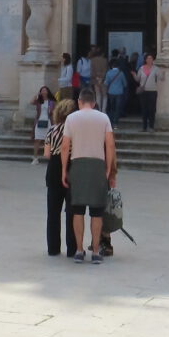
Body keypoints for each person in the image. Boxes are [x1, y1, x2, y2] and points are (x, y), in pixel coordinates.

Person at [60, 87, 116, 264]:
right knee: (97, 212)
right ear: (93, 102)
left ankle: (78, 250)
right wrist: (108, 169)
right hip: (97, 164)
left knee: (77, 210)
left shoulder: (71, 118)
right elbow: (110, 145)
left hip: (78, 164)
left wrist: (64, 170)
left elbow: (64, 146)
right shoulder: (103, 117)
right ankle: (97, 251)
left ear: (79, 101)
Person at [43, 98, 77, 257]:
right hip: (71, 169)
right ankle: (72, 248)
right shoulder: (75, 131)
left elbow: (46, 154)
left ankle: (53, 248)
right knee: (72, 211)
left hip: (53, 169)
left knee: (53, 212)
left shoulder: (52, 130)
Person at [136, 52, 160, 132]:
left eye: (151, 58)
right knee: (144, 109)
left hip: (152, 90)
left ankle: (151, 126)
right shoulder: (141, 68)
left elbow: (160, 78)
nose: (149, 60)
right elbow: (138, 79)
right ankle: (144, 126)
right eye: (148, 58)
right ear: (145, 60)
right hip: (143, 91)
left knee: (151, 109)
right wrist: (134, 76)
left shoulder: (156, 68)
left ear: (153, 60)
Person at [31, 85, 54, 164]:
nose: (43, 92)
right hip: (39, 121)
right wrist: (36, 95)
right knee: (37, 139)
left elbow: (53, 111)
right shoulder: (38, 101)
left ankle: (49, 157)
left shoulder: (51, 101)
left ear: (48, 92)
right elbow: (31, 102)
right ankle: (35, 158)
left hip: (48, 122)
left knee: (49, 140)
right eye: (42, 90)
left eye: (45, 90)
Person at [105, 61, 129, 127]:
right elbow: (125, 84)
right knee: (117, 107)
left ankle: (110, 121)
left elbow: (106, 83)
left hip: (111, 92)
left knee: (111, 107)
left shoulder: (108, 73)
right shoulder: (121, 73)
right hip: (119, 92)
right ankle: (116, 122)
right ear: (118, 66)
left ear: (112, 66)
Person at [89, 46, 108, 110]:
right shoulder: (105, 60)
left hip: (95, 79)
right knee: (104, 95)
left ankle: (98, 109)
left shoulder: (92, 60)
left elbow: (92, 71)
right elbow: (106, 70)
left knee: (98, 95)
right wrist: (102, 78)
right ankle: (103, 110)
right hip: (103, 80)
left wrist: (97, 77)